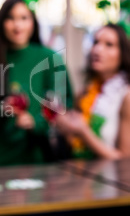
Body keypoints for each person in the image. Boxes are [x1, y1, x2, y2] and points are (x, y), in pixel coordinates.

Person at [0, 0, 74, 167]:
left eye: (24, 18)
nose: (17, 25)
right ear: (0, 23)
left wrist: (36, 122)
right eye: (10, 18)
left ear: (33, 22)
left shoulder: (51, 60)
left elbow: (63, 105)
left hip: (36, 163)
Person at [55, 23, 130, 159]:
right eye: (95, 42)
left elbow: (125, 161)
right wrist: (66, 127)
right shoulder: (85, 93)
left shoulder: (125, 96)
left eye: (109, 45)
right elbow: (77, 147)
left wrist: (84, 132)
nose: (98, 49)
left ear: (123, 53)